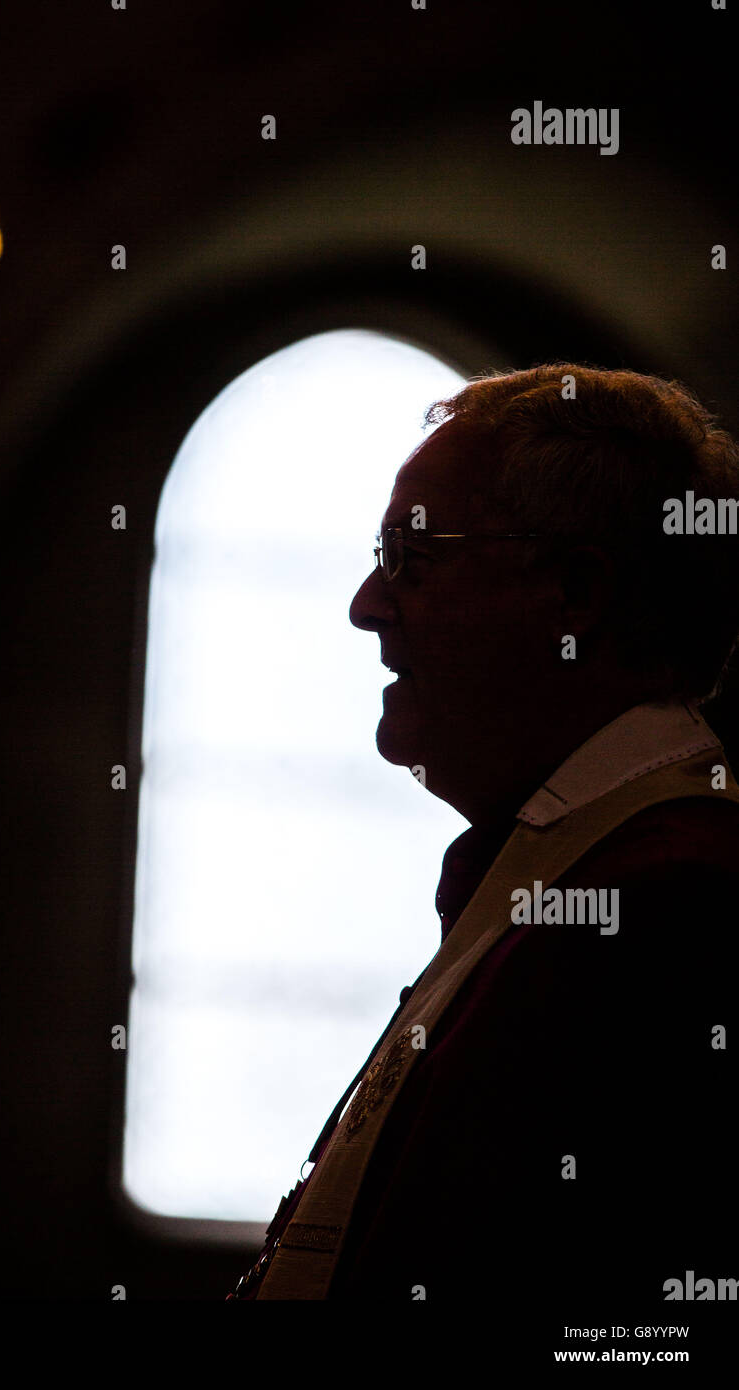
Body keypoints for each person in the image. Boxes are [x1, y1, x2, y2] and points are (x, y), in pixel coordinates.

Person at [228, 364, 739, 1312]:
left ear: (576, 594)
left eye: (412, 561)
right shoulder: (572, 864)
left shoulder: (667, 905)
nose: (366, 606)